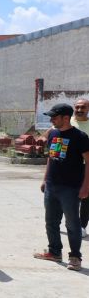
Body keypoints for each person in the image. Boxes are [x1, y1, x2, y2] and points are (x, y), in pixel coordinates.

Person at [34, 103, 89, 271]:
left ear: (66, 118)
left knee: (72, 224)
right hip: (52, 185)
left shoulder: (80, 137)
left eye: (54, 117)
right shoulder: (53, 133)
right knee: (51, 221)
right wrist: (45, 179)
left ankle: (75, 257)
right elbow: (52, 157)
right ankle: (54, 251)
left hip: (71, 187)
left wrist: (86, 186)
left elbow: (88, 162)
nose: (51, 120)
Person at [70, 98, 89, 238]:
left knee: (86, 197)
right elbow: (49, 136)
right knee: (68, 196)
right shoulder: (67, 122)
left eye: (83, 107)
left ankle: (82, 225)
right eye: (77, 107)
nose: (80, 110)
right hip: (68, 167)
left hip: (86, 165)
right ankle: (69, 222)